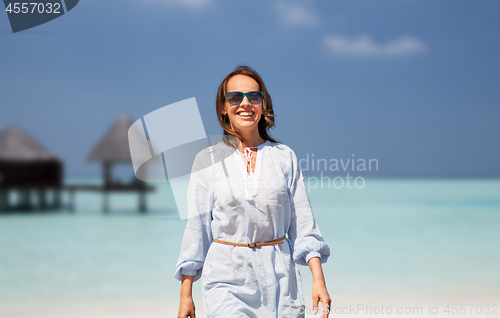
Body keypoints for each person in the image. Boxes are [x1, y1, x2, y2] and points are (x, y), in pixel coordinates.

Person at [174, 66, 331, 318]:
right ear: (224, 107)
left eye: (254, 97)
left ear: (263, 104)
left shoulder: (285, 156)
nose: (245, 103)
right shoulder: (207, 160)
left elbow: (302, 224)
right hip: (226, 278)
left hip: (282, 279)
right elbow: (197, 230)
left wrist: (318, 281)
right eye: (235, 97)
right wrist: (185, 296)